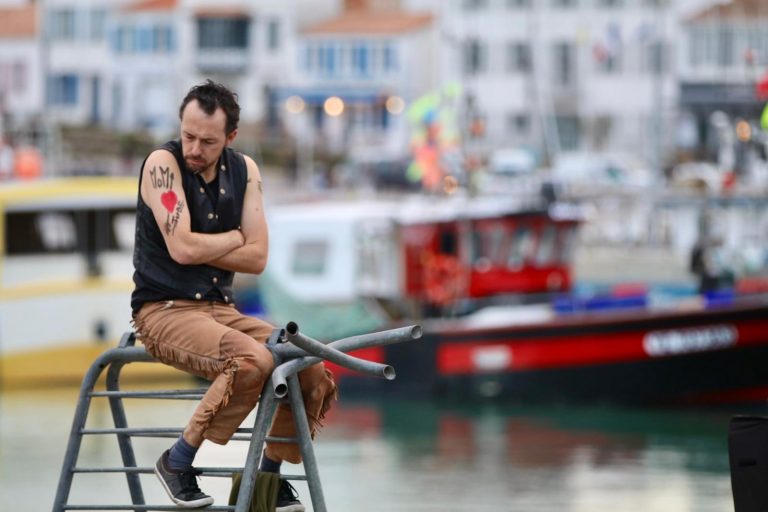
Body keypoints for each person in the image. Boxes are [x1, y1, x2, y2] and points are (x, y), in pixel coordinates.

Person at [130, 80, 337, 510]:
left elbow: (258, 257)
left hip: (219, 310)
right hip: (162, 310)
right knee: (253, 360)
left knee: (308, 364)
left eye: (207, 141)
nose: (194, 148)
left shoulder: (246, 171)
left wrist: (223, 244)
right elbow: (182, 248)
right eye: (188, 135)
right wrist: (234, 238)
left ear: (230, 138)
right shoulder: (161, 166)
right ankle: (178, 460)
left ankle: (268, 477)